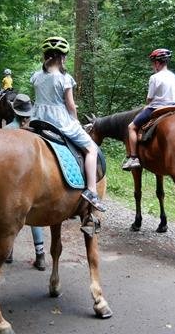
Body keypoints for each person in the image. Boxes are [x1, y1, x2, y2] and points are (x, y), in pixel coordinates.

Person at [30, 36, 106, 234]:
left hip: (37, 119)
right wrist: (75, 119)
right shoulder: (64, 78)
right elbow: (70, 105)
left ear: (46, 56)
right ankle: (91, 190)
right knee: (91, 148)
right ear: (62, 58)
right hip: (59, 121)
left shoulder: (37, 76)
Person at [2, 94, 46, 271]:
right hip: (34, 180)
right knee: (34, 216)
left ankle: (8, 252)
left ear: (14, 111)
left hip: (11, 182)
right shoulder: (36, 131)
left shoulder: (6, 131)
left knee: (10, 216)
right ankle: (40, 255)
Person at [122, 48, 175, 171]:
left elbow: (149, 99)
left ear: (157, 63)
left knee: (131, 127)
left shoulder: (154, 77)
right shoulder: (173, 76)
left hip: (156, 108)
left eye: (153, 62)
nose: (153, 65)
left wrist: (148, 104)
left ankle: (133, 158)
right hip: (173, 107)